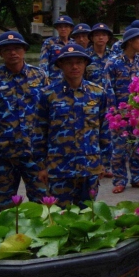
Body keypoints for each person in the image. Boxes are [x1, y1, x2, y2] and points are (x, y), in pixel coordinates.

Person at [34, 44, 113, 206]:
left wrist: (103, 163)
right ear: (61, 65)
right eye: (69, 63)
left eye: (79, 62)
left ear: (85, 64)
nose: (74, 66)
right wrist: (41, 166)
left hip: (89, 167)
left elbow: (104, 131)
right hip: (59, 170)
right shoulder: (48, 94)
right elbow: (39, 133)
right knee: (60, 218)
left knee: (87, 216)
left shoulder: (98, 93)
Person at [0, 31, 50, 208]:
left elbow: (49, 115)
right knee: (5, 206)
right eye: (7, 49)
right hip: (3, 154)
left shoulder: (39, 76)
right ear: (0, 53)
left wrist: (51, 151)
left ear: (24, 50)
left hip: (35, 153)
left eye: (17, 48)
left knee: (41, 204)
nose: (13, 53)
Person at [106, 27, 139, 193]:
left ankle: (137, 177)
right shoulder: (113, 62)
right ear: (130, 42)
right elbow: (108, 89)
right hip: (119, 114)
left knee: (138, 146)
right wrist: (115, 112)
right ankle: (119, 179)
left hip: (138, 113)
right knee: (119, 148)